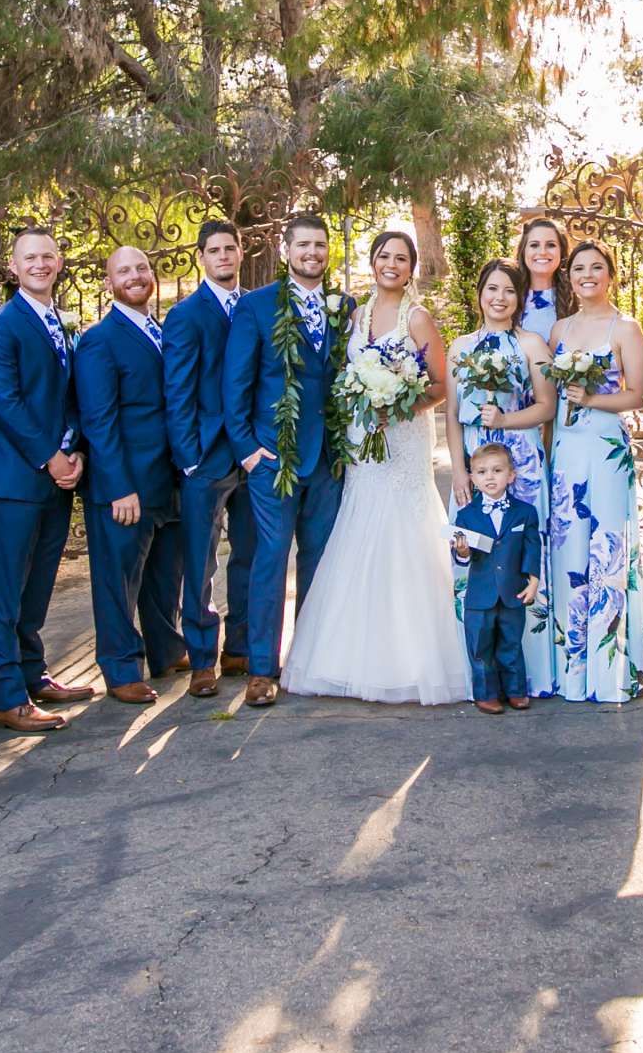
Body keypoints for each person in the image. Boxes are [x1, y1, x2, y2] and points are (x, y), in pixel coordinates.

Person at [282, 231, 468, 706]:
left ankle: (411, 659)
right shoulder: (355, 316)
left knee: (405, 532)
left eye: (401, 258)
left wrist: (400, 406)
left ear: (410, 269)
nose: (391, 264)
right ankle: (348, 658)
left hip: (403, 438)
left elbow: (441, 386)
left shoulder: (419, 319)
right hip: (363, 440)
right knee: (359, 527)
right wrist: (367, 400)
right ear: (373, 261)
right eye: (384, 256)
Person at [0, 227, 94, 730]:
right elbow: (4, 403)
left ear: (59, 262)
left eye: (48, 255)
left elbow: (72, 396)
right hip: (18, 478)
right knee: (4, 589)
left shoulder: (60, 324)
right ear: (15, 267)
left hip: (58, 476)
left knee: (40, 583)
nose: (40, 264)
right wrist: (50, 457)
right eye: (31, 257)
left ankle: (32, 672)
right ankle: (5, 696)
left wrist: (78, 451)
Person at [223, 213, 346, 707]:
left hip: (328, 460)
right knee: (271, 560)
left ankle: (310, 660)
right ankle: (261, 668)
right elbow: (236, 384)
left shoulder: (345, 307)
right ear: (285, 249)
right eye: (303, 245)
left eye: (319, 245)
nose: (312, 253)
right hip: (274, 458)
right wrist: (248, 451)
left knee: (320, 559)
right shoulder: (255, 307)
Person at [440, 258, 559, 697]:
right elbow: (451, 414)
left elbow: (547, 407)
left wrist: (506, 419)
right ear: (479, 294)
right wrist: (459, 469)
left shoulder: (532, 345)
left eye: (509, 290)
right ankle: (480, 674)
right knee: (475, 558)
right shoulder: (460, 347)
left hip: (519, 462)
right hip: (476, 462)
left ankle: (529, 673)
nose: (499, 297)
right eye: (491, 288)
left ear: (520, 297)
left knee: (520, 553)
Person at [77, 245, 186, 706]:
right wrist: (119, 486)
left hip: (168, 478)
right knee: (118, 580)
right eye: (124, 271)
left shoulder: (161, 331)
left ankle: (165, 650)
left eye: (141, 267)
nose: (136, 276)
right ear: (109, 283)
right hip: (125, 485)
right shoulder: (99, 340)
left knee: (165, 575)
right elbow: (98, 420)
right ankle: (121, 667)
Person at [545, 240, 643, 702]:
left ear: (610, 274)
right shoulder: (558, 329)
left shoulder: (625, 327)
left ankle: (611, 670)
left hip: (607, 445)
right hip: (567, 448)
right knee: (569, 549)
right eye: (579, 268)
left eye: (597, 267)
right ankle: (572, 671)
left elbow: (638, 396)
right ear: (569, 277)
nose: (587, 275)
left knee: (607, 548)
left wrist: (591, 400)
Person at [163, 220, 258, 697]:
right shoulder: (186, 314)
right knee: (199, 561)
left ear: (241, 253)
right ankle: (202, 657)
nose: (223, 256)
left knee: (251, 554)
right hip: (206, 456)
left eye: (230, 249)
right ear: (202, 256)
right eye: (214, 250)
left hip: (254, 454)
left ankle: (240, 646)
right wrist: (188, 458)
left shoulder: (256, 306)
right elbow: (177, 389)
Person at [452, 443, 543, 714]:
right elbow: (462, 558)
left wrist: (533, 581)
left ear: (511, 475)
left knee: (511, 643)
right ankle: (486, 694)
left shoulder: (525, 512)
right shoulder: (466, 515)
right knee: (481, 647)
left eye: (497, 470)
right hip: (481, 595)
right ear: (472, 479)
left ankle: (516, 691)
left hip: (513, 592)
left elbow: (532, 548)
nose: (490, 477)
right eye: (481, 472)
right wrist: (463, 552)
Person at [515, 219, 567, 341]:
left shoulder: (576, 297)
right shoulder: (508, 296)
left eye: (551, 245)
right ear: (523, 251)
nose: (542, 252)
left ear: (562, 252)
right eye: (534, 245)